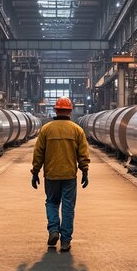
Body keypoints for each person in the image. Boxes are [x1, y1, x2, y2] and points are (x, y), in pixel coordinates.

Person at [31, 97, 90, 252]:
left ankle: (53, 230)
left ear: (55, 110)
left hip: (51, 175)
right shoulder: (77, 130)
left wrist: (35, 172)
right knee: (68, 208)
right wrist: (85, 171)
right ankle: (65, 241)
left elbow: (38, 153)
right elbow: (83, 154)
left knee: (51, 203)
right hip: (69, 175)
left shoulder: (46, 129)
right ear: (70, 111)